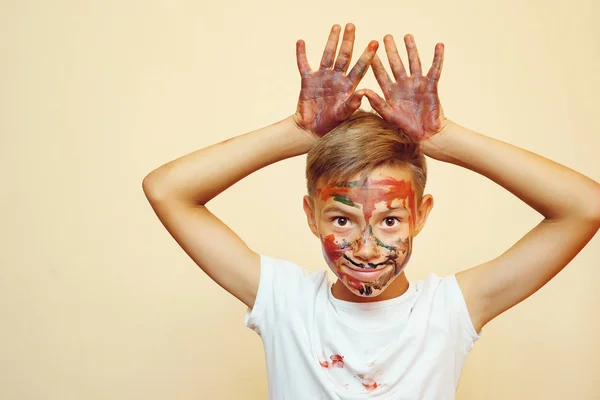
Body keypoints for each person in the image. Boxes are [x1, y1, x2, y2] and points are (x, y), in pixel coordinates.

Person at [142, 23, 600, 399]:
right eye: (342, 220)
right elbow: (166, 190)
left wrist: (444, 139)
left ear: (420, 215)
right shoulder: (286, 304)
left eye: (390, 220)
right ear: (311, 214)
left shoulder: (448, 313)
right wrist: (298, 132)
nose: (365, 247)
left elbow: (585, 206)